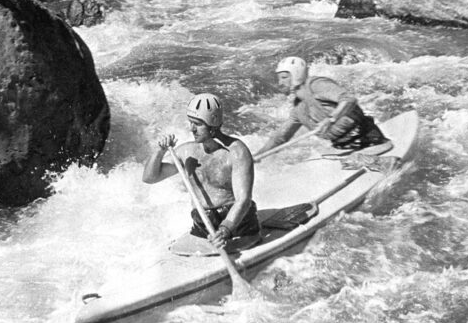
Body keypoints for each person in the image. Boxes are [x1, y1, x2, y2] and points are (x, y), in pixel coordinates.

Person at [143, 93, 260, 249]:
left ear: (213, 124)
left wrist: (225, 230)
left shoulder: (237, 152)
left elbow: (243, 200)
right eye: (191, 122)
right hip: (203, 225)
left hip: (238, 225)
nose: (192, 129)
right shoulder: (186, 152)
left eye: (197, 124)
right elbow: (150, 178)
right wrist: (159, 151)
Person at [256, 56, 392, 156]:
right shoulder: (299, 108)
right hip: (342, 147)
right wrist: (256, 157)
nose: (280, 83)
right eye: (279, 78)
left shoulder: (317, 85)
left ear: (296, 74)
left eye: (284, 77)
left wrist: (331, 119)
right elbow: (280, 137)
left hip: (368, 140)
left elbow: (349, 99)